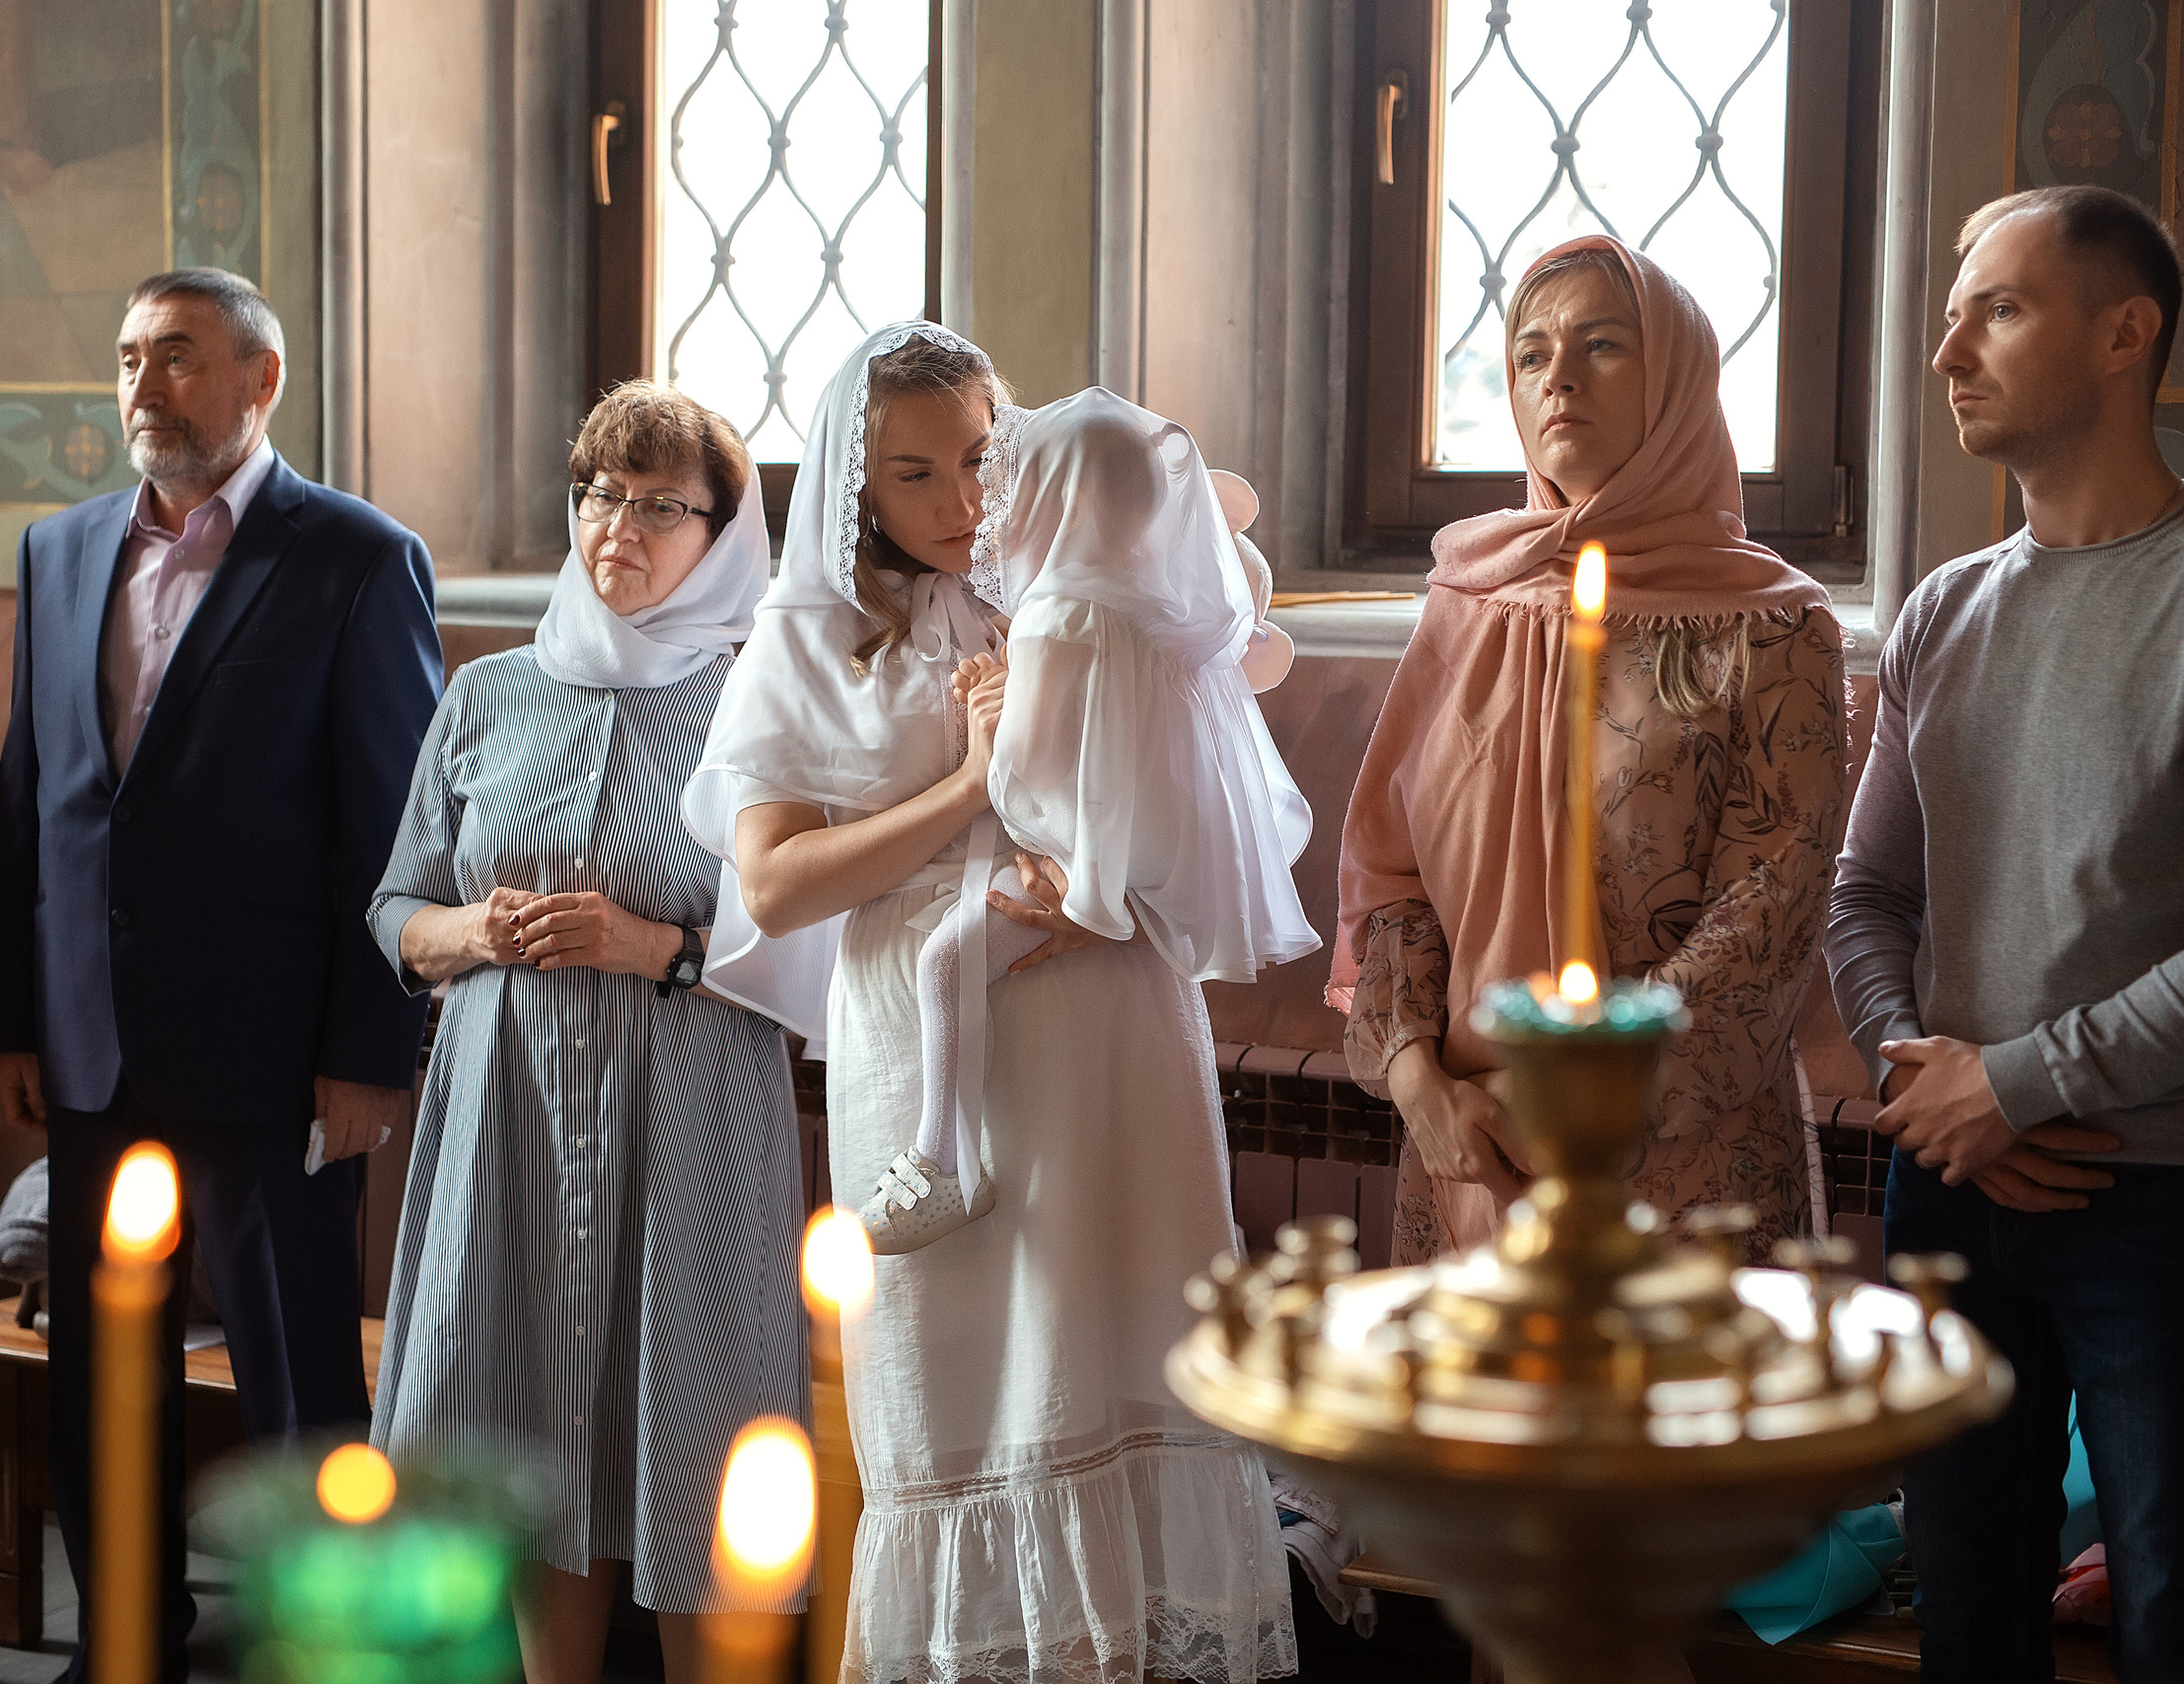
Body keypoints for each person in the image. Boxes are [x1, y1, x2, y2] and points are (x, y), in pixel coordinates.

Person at [684, 324, 1297, 1684]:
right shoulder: (807, 638)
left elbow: (1211, 728)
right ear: (856, 488)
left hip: (1116, 1022)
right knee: (971, 1397)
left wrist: (1099, 855)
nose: (962, 503)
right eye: (914, 475)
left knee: (1145, 1362)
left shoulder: (1073, 567)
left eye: (978, 455)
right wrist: (969, 785)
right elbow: (776, 884)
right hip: (935, 1047)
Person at [0, 267, 443, 1680]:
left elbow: (395, 821)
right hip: (91, 1046)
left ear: (262, 379)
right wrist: (13, 1015)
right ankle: (126, 1637)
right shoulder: (60, 550)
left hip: (271, 1056)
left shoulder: (356, 556)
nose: (143, 386)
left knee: (298, 1376)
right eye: (128, 357)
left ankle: (326, 1645)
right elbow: (33, 797)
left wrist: (371, 1049)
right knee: (98, 1376)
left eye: (177, 356)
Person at [1826, 184, 2184, 1684]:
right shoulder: (1941, 609)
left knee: (2183, 1619)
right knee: (1965, 1615)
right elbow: (1864, 897)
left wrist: (2018, 1082)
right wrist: (1937, 1084)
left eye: (1996, 308)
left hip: (2171, 1204)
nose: (1948, 350)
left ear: (2124, 333)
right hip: (1950, 1182)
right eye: (1953, 311)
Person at [366, 382, 805, 1684]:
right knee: (531, 1421)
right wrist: (475, 934)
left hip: (694, 1107)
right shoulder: (488, 693)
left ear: (721, 533)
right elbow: (396, 905)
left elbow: (825, 951)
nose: (621, 521)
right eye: (602, 491)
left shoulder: (767, 708)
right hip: (505, 1100)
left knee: (692, 1420)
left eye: (662, 501)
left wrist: (655, 944)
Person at [1333, 236, 1848, 1266]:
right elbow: (1389, 876)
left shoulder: (1769, 628)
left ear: (1677, 383)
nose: (1557, 376)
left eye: (1600, 345)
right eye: (1529, 354)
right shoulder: (1469, 602)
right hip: (1468, 1149)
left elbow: (1767, 911)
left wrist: (1577, 1104)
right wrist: (1417, 1082)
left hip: (1670, 1167)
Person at [869, 389, 1317, 1252]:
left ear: (1051, 500)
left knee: (944, 961)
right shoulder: (1160, 610)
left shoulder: (1058, 613)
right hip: (1159, 848)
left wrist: (985, 721)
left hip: (1087, 858)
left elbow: (1027, 771)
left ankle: (940, 1161)